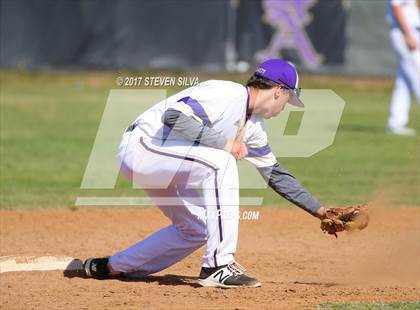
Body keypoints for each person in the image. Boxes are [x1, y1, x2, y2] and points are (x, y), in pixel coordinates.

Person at [83, 59, 327, 288]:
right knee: (221, 162)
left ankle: (112, 266)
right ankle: (218, 266)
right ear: (278, 91)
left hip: (170, 162)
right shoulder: (227, 93)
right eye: (287, 100)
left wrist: (321, 211)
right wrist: (225, 144)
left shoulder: (253, 127)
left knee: (197, 229)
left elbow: (275, 174)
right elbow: (173, 116)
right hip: (143, 148)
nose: (284, 107)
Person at [386, 0, 420, 136]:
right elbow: (397, 8)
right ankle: (396, 123)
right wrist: (407, 34)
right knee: (417, 75)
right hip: (404, 33)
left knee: (404, 82)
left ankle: (396, 123)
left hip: (414, 32)